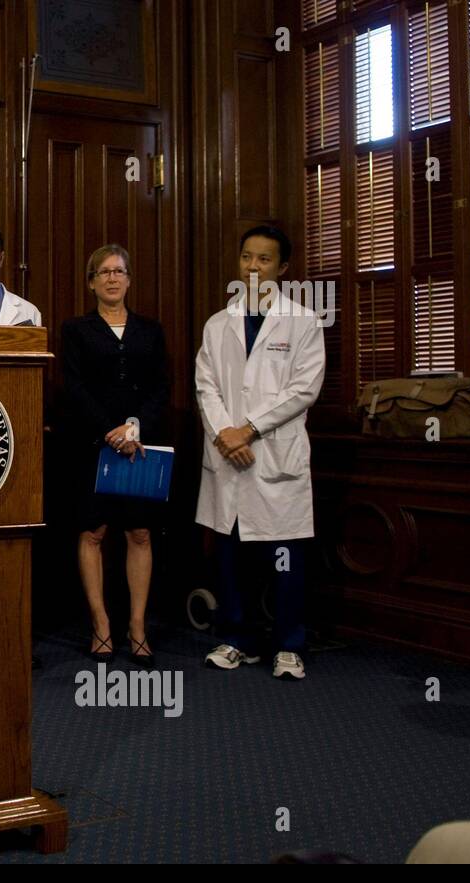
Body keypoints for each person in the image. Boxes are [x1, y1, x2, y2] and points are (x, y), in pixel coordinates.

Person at [196, 225, 324, 680]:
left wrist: (248, 430)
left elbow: (304, 390)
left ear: (283, 268)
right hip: (228, 456)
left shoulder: (304, 322)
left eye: (264, 260)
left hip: (273, 457)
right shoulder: (218, 324)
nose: (253, 267)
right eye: (247, 257)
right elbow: (206, 386)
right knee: (230, 555)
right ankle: (237, 640)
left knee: (284, 557)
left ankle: (289, 644)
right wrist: (225, 434)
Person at [59, 244, 168, 666]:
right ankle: (101, 624)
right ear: (91, 282)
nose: (111, 278)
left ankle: (137, 626)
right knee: (93, 533)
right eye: (102, 272)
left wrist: (134, 427)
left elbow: (161, 387)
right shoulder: (76, 329)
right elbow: (75, 386)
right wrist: (111, 431)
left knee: (139, 534)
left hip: (140, 447)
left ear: (128, 279)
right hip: (91, 446)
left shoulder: (151, 330)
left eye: (118, 271)